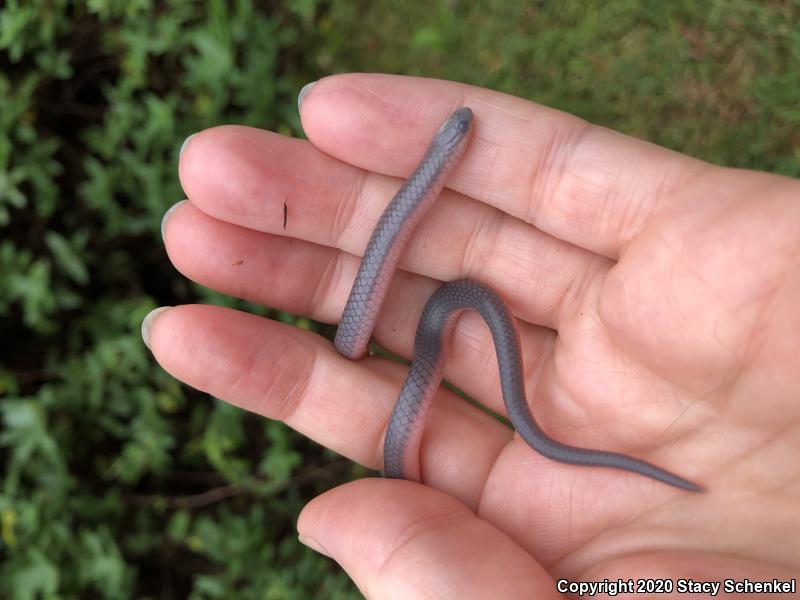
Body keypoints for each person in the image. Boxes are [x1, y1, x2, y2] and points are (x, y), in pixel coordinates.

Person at [143, 74, 799, 597]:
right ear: (445, 155)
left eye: (458, 137)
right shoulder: (429, 177)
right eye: (455, 139)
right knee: (375, 336)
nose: (464, 135)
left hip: (428, 319)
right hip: (378, 347)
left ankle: (532, 418)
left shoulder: (442, 179)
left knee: (435, 319)